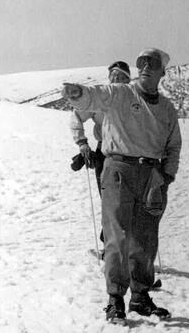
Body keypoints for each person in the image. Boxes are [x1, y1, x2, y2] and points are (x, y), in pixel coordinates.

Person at [62, 48, 182, 324]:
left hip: (152, 174)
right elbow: (97, 94)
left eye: (152, 64)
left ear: (162, 71)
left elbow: (174, 146)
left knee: (146, 237)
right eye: (141, 63)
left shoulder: (166, 108)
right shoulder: (122, 93)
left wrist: (166, 177)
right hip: (118, 170)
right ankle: (115, 298)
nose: (145, 67)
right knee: (116, 235)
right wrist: (79, 93)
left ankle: (140, 296)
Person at [69, 61, 131, 254]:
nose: (117, 80)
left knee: (131, 204)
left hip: (131, 155)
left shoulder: (135, 100)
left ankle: (133, 252)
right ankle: (110, 249)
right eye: (114, 76)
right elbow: (76, 116)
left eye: (121, 77)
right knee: (109, 202)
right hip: (104, 154)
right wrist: (82, 143)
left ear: (128, 80)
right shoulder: (100, 100)